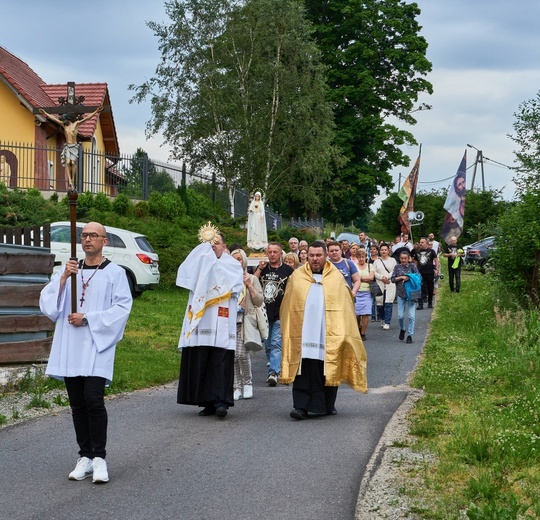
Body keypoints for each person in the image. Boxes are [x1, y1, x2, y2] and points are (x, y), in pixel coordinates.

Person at [39, 221, 133, 484]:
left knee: (94, 399)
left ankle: (100, 458)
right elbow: (49, 306)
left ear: (105, 241)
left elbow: (122, 309)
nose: (88, 239)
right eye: (84, 235)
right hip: (70, 344)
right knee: (77, 404)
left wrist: (89, 318)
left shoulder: (115, 273)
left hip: (95, 345)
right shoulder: (69, 269)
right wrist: (63, 278)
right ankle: (85, 456)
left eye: (94, 235)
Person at [279, 240, 367, 419]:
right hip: (303, 332)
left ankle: (326, 405)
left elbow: (345, 306)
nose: (315, 259)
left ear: (326, 256)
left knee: (327, 367)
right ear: (306, 256)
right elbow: (288, 306)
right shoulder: (297, 277)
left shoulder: (336, 277)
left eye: (318, 255)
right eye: (311, 255)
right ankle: (300, 406)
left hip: (327, 332)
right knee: (303, 368)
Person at [176, 230, 244, 418]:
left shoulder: (232, 265)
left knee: (220, 361)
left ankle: (221, 402)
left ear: (224, 246)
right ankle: (206, 402)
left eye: (217, 242)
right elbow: (186, 276)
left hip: (222, 318)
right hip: (203, 318)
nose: (213, 245)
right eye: (210, 243)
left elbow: (235, 286)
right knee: (203, 359)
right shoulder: (199, 263)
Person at [254, 241, 294, 386]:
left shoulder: (288, 270)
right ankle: (276, 365)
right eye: (269, 252)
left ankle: (273, 373)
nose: (272, 254)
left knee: (276, 344)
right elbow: (252, 281)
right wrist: (259, 268)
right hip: (264, 313)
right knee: (268, 344)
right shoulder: (263, 269)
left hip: (280, 313)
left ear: (280, 253)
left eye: (275, 252)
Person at [39, 106, 103, 188]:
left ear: (68, 119)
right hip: (68, 146)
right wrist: (45, 113)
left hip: (74, 146)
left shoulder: (75, 124)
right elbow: (54, 119)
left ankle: (72, 179)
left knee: (72, 163)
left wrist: (96, 111)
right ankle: (70, 181)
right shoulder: (64, 125)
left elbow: (87, 118)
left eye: (64, 120)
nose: (63, 121)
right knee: (67, 162)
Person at [231, 249, 264, 400]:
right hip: (230, 320)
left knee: (242, 354)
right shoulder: (227, 278)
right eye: (234, 259)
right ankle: (236, 386)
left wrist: (249, 286)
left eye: (239, 259)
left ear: (244, 261)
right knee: (232, 356)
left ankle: (247, 383)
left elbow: (259, 301)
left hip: (245, 320)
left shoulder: (251, 278)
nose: (237, 262)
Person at [391, 251, 420, 344]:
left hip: (411, 294)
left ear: (408, 259)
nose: (403, 260)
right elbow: (392, 279)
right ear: (400, 259)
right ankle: (403, 329)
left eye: (405, 258)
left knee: (411, 316)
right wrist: (401, 278)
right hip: (401, 294)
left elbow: (418, 276)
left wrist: (408, 277)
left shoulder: (412, 266)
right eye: (402, 258)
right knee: (400, 316)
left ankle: (410, 335)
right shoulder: (397, 267)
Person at [372, 244, 397, 330]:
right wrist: (381, 277)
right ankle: (382, 318)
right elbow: (374, 272)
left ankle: (387, 322)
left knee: (388, 303)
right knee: (379, 303)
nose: (384, 251)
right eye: (382, 250)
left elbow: (394, 270)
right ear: (379, 251)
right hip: (380, 283)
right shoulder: (376, 261)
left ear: (388, 251)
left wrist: (387, 277)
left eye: (385, 250)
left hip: (390, 283)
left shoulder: (393, 260)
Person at [413, 237, 439, 309]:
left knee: (430, 288)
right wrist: (415, 271)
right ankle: (420, 304)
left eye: (422, 242)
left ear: (426, 243)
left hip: (429, 272)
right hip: (420, 273)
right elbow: (415, 262)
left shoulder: (431, 251)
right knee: (420, 288)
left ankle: (430, 302)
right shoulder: (417, 252)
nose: (420, 244)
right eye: (420, 242)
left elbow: (436, 260)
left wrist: (436, 269)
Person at [354, 249, 374, 340]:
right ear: (357, 258)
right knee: (357, 314)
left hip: (367, 292)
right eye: (359, 257)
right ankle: (358, 328)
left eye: (363, 257)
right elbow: (353, 278)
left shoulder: (370, 266)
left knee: (365, 314)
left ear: (365, 257)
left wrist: (360, 278)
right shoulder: (354, 266)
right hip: (357, 292)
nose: (361, 259)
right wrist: (363, 279)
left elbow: (371, 278)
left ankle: (363, 333)